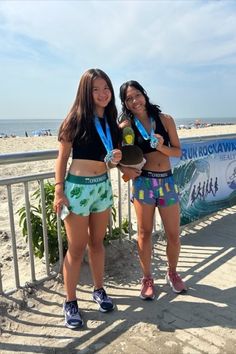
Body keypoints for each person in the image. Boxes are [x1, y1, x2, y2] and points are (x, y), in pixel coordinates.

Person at [53, 68, 122, 329]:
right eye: (96, 89)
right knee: (76, 248)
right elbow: (61, 159)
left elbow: (110, 161)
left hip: (102, 187)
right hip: (78, 190)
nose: (103, 94)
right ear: (86, 91)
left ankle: (99, 289)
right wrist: (59, 190)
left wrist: (116, 161)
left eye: (106, 88)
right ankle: (70, 302)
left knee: (97, 243)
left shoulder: (111, 122)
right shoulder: (75, 119)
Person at [118, 80, 187, 300]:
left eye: (137, 95)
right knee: (144, 234)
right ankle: (147, 278)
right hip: (144, 183)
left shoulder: (165, 120)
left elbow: (177, 152)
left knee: (174, 235)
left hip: (166, 182)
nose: (135, 101)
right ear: (125, 104)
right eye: (129, 99)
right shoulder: (125, 126)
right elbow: (116, 156)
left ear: (145, 95)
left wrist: (161, 146)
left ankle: (172, 273)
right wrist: (126, 170)